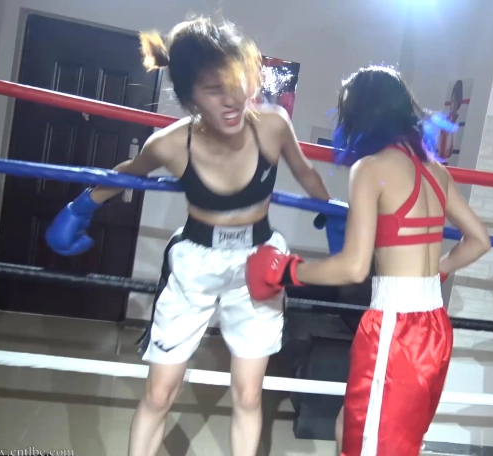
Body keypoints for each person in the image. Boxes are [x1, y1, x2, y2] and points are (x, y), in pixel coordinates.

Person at [44, 17, 332, 456]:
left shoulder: (272, 124)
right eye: (214, 90)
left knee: (249, 395)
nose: (232, 99)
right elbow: (129, 174)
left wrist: (332, 213)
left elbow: (306, 171)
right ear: (190, 96)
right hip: (195, 263)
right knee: (159, 393)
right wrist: (80, 207)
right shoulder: (170, 143)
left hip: (260, 263)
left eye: (237, 82)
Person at [244, 66, 492, 456]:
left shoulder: (371, 168)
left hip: (396, 330)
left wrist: (286, 270)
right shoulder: (437, 171)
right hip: (435, 326)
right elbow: (479, 241)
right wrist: (437, 270)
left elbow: (354, 267)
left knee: (369, 445)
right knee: (356, 429)